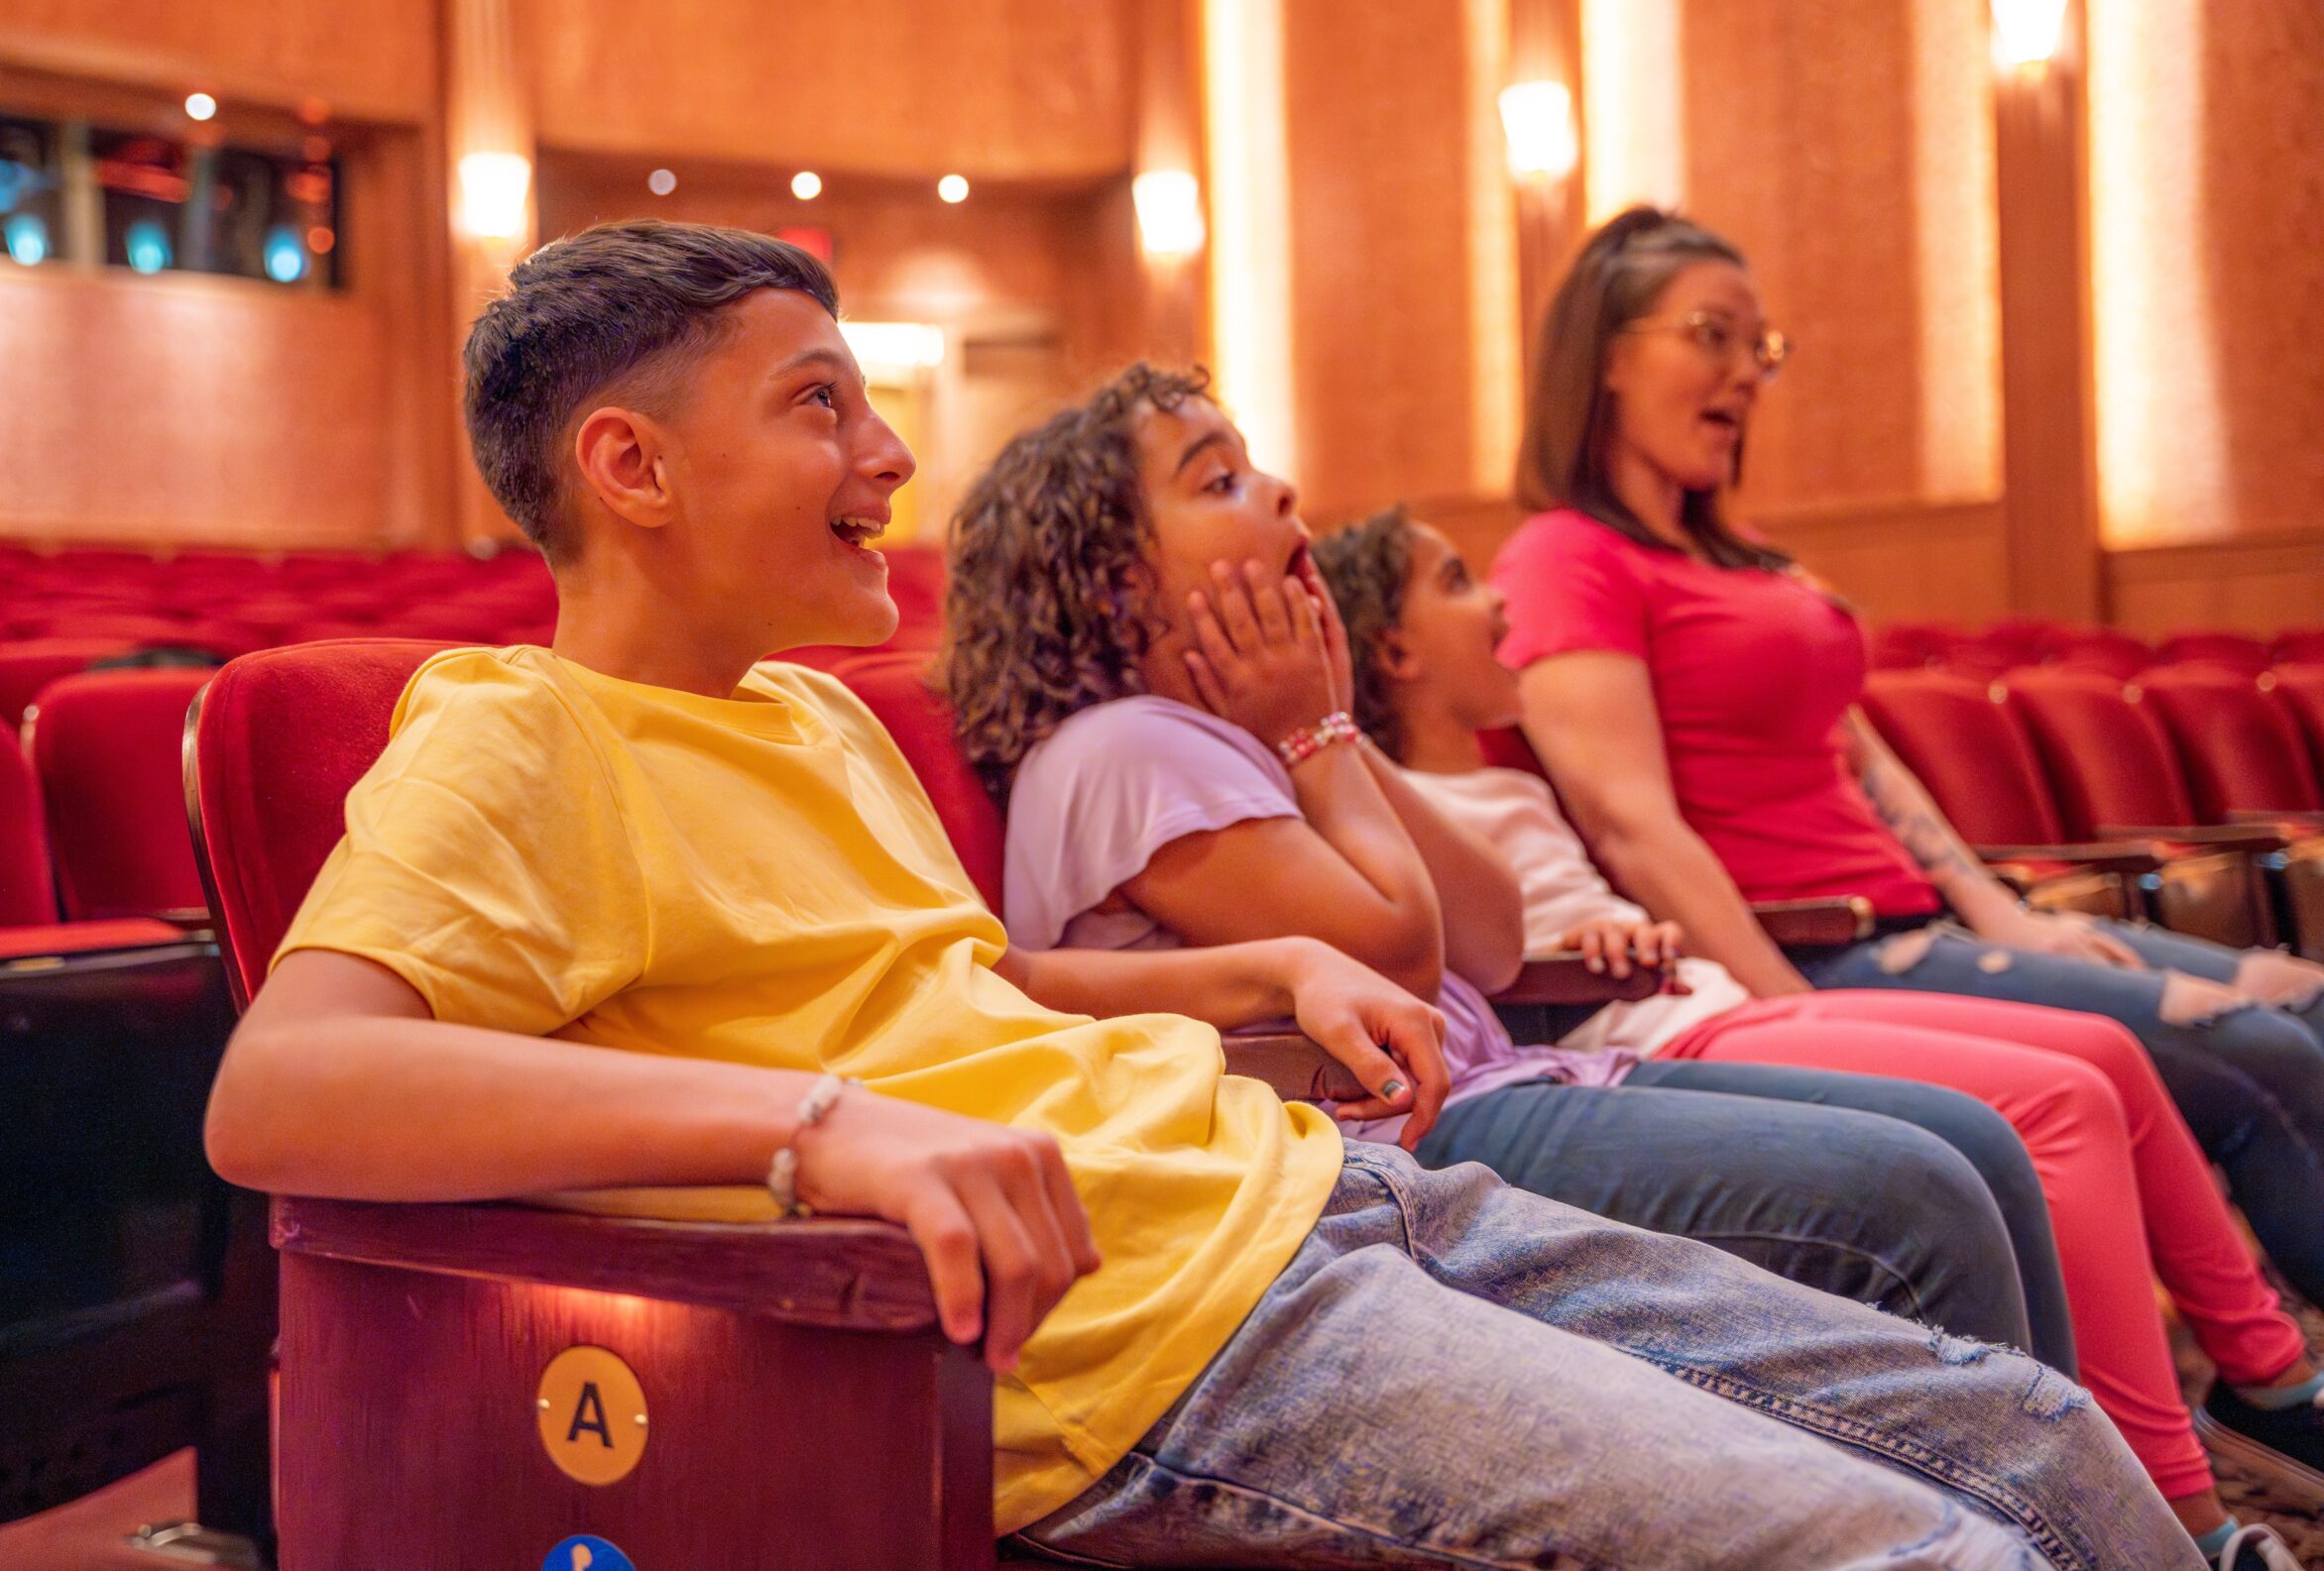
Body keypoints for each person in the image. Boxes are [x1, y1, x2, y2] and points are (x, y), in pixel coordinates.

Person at [200, 220, 2197, 1570]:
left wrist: (1242, 966)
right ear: (627, 465)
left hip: (1323, 1191)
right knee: (1925, 1550)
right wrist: (812, 1126)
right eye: (819, 402)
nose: (891, 453)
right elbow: (282, 1094)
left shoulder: (808, 724)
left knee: (2015, 1428)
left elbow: (962, 995)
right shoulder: (509, 740)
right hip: (1152, 1346)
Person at [943, 362, 2060, 1353]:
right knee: (1918, 1194)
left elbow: (1488, 931)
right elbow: (1403, 963)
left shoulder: (1247, 735)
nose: (1281, 492)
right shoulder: (1120, 751)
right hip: (1394, 1152)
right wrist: (1318, 739)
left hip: (1498, 1086)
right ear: (1113, 585)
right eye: (1218, 480)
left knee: (1972, 1141)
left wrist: (1331, 725)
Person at [1486, 206, 2324, 1507]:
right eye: (1710, 335)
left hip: (1933, 912)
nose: (1746, 372)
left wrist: (2012, 908)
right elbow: (1633, 823)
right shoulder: (1562, 556)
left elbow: (1865, 752)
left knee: (2294, 996)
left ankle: (2268, 1376)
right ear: (1604, 351)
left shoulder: (1743, 556)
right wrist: (1792, 1009)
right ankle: (2279, 1393)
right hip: (1829, 938)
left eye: (1757, 343)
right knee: (2256, 1046)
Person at [1319, 504, 2324, 1552]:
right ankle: (2174, 1520)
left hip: (1697, 992)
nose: (1500, 604)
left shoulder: (1517, 775)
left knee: (2097, 1063)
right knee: (2055, 1104)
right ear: (1393, 650)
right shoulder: (1394, 800)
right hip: (1650, 1027)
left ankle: (2240, 1413)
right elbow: (1466, 953)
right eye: (1453, 582)